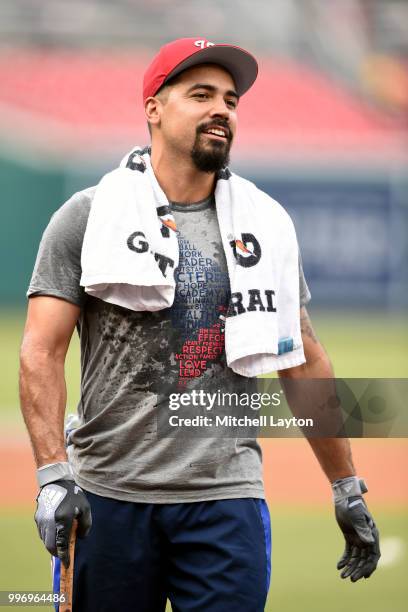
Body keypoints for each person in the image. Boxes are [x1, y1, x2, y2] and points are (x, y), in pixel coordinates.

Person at [19, 38, 380, 612]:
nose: (223, 109)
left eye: (231, 100)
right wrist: (54, 478)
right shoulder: (88, 216)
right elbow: (41, 350)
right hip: (107, 497)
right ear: (154, 109)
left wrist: (346, 487)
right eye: (201, 95)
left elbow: (303, 358)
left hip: (225, 500)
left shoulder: (266, 224)